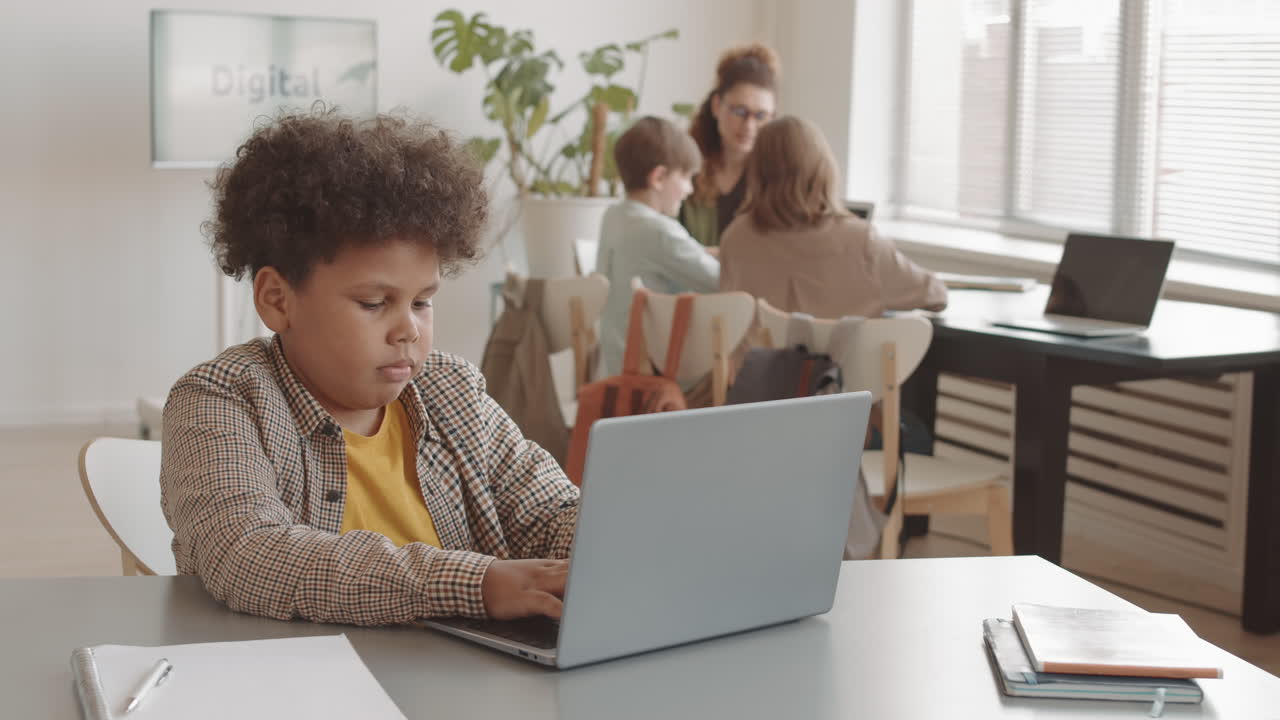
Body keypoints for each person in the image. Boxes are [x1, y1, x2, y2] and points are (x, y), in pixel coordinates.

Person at [160, 108, 578, 627]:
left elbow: (550, 513)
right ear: (277, 299)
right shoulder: (222, 401)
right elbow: (248, 554)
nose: (408, 330)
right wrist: (478, 584)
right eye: (374, 303)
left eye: (422, 302)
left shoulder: (453, 392)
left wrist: (598, 543)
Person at [719, 116, 947, 318]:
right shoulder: (861, 241)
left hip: (755, 366)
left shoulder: (735, 238)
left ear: (756, 171)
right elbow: (935, 295)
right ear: (823, 167)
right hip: (843, 366)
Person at [595, 116, 719, 377]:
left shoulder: (615, 215)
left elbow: (677, 253)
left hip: (614, 362)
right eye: (686, 177)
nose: (689, 190)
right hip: (653, 372)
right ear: (659, 177)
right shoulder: (660, 231)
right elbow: (718, 281)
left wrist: (707, 252)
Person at [679, 43, 780, 249]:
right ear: (717, 106)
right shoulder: (684, 168)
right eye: (740, 112)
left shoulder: (777, 178)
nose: (749, 126)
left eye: (761, 116)